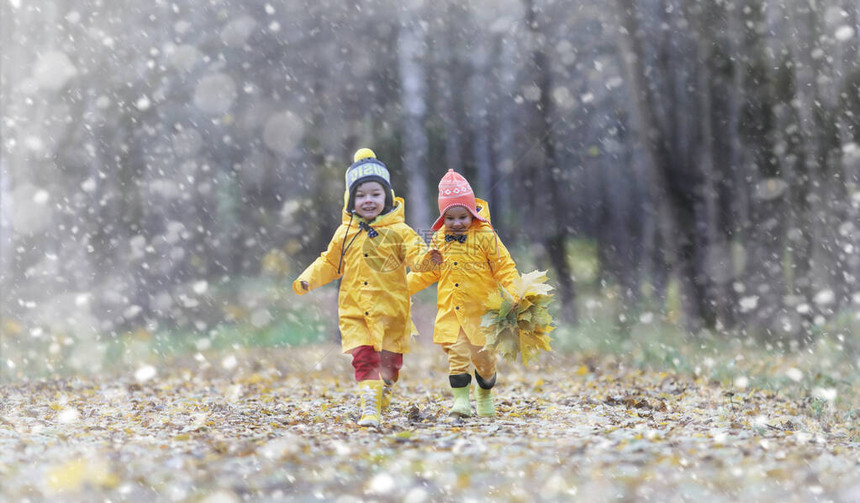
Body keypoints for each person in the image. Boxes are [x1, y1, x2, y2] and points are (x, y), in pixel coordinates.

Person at [293, 148, 441, 427]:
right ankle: (369, 410)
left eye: (375, 194)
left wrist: (428, 260)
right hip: (355, 310)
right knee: (364, 358)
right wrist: (308, 279)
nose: (368, 200)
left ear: (387, 196)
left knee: (390, 366)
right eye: (360, 195)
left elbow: (415, 255)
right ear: (351, 200)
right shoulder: (344, 233)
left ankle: (384, 388)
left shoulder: (400, 231)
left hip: (392, 311)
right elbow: (329, 262)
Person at [408, 170, 520, 418]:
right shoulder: (439, 239)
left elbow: (504, 268)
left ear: (472, 213)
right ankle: (460, 403)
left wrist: (516, 292)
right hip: (452, 310)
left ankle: (485, 391)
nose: (457, 223)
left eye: (462, 216)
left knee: (485, 361)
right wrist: (401, 288)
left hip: (482, 312)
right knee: (457, 355)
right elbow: (428, 272)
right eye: (450, 218)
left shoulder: (486, 236)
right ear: (442, 218)